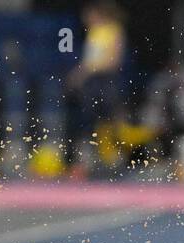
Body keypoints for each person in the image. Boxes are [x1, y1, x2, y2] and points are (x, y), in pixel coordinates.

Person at [65, 2, 128, 178]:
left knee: (108, 121)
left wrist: (85, 72)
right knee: (87, 122)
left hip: (106, 81)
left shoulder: (114, 30)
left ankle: (115, 161)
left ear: (97, 13)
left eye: (88, 14)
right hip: (92, 83)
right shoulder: (93, 32)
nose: (85, 19)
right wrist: (80, 74)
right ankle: (85, 163)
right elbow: (89, 61)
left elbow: (114, 61)